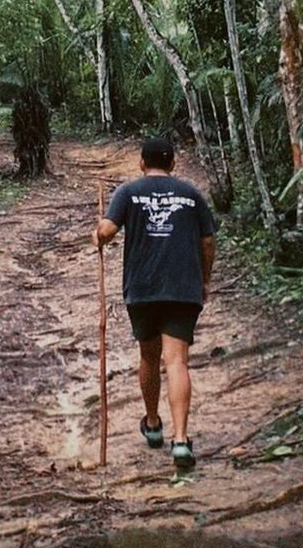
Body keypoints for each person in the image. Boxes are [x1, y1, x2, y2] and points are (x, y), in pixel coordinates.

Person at [93, 136, 216, 470]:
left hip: (143, 288)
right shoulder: (191, 195)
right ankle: (180, 440)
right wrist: (204, 280)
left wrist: (98, 235)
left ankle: (152, 424)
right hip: (182, 288)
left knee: (148, 356)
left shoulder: (127, 192)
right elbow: (207, 241)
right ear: (173, 164)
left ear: (142, 163)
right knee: (177, 362)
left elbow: (107, 231)